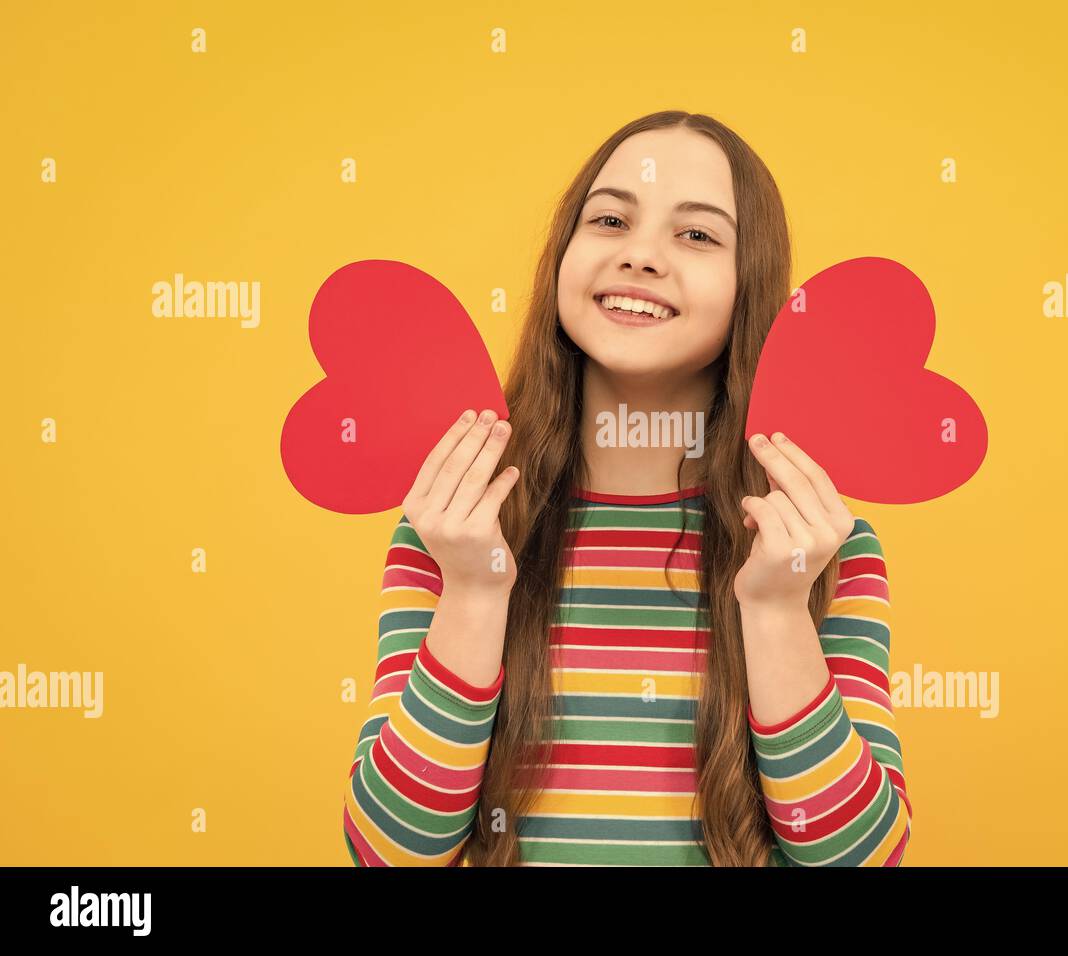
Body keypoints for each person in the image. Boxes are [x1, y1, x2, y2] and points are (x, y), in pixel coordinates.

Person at [342, 110, 912, 866]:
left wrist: (774, 609)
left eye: (697, 234)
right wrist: (476, 592)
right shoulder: (453, 527)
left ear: (752, 285)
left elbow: (859, 859)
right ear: (563, 255)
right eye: (610, 219)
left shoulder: (823, 543)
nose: (640, 256)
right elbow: (391, 852)